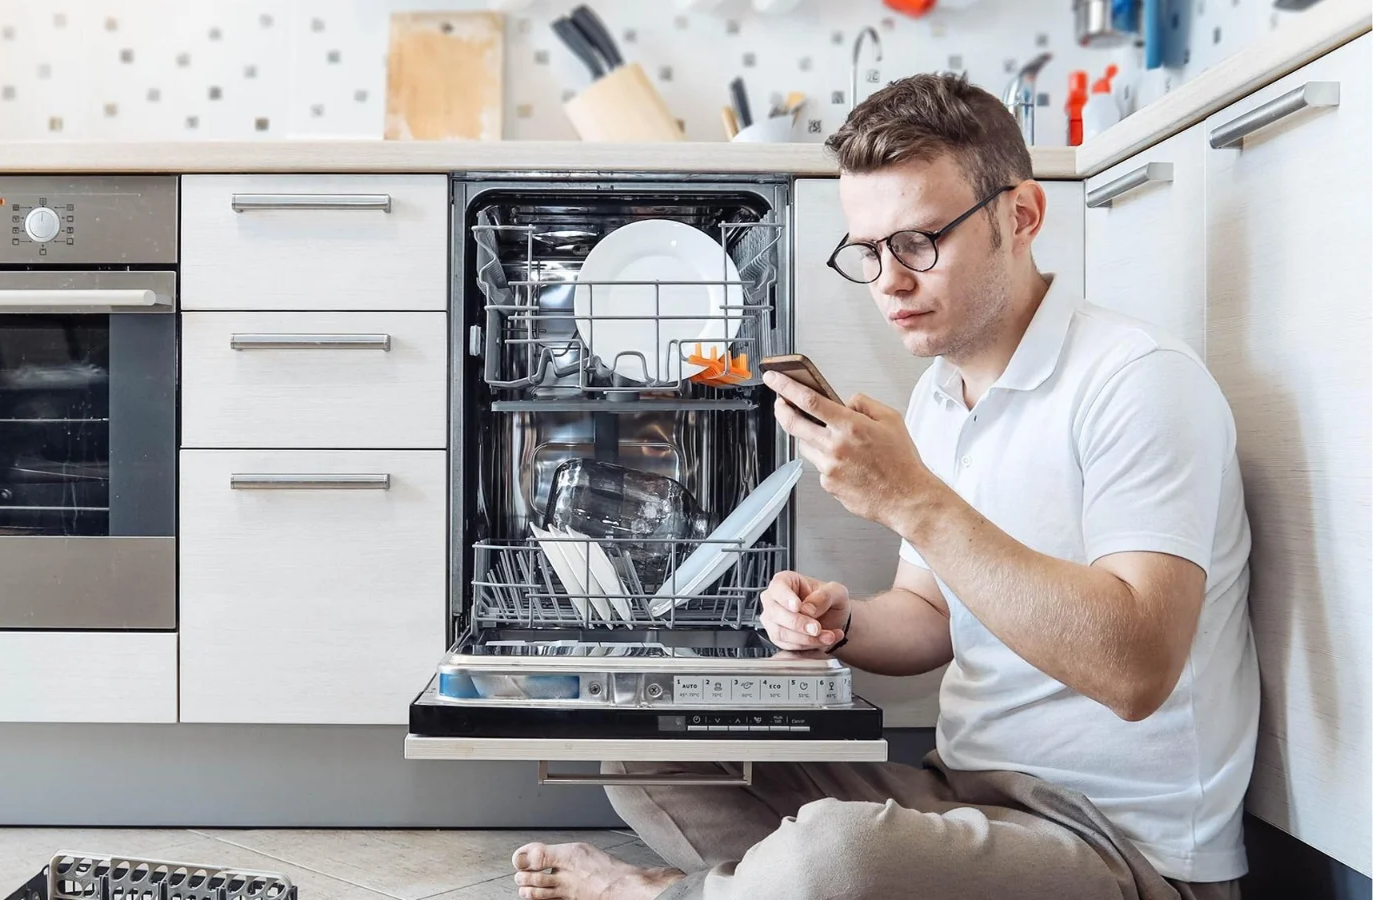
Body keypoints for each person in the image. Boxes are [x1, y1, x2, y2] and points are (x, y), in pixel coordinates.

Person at [507, 73, 1259, 900]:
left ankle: (660, 894)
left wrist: (911, 499)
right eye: (868, 251)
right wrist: (843, 621)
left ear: (1022, 216)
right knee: (654, 745)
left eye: (918, 242)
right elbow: (933, 617)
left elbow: (1138, 671)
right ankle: (754, 890)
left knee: (837, 857)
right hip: (962, 796)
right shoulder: (941, 397)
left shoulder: (1137, 380)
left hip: (1123, 849)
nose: (888, 283)